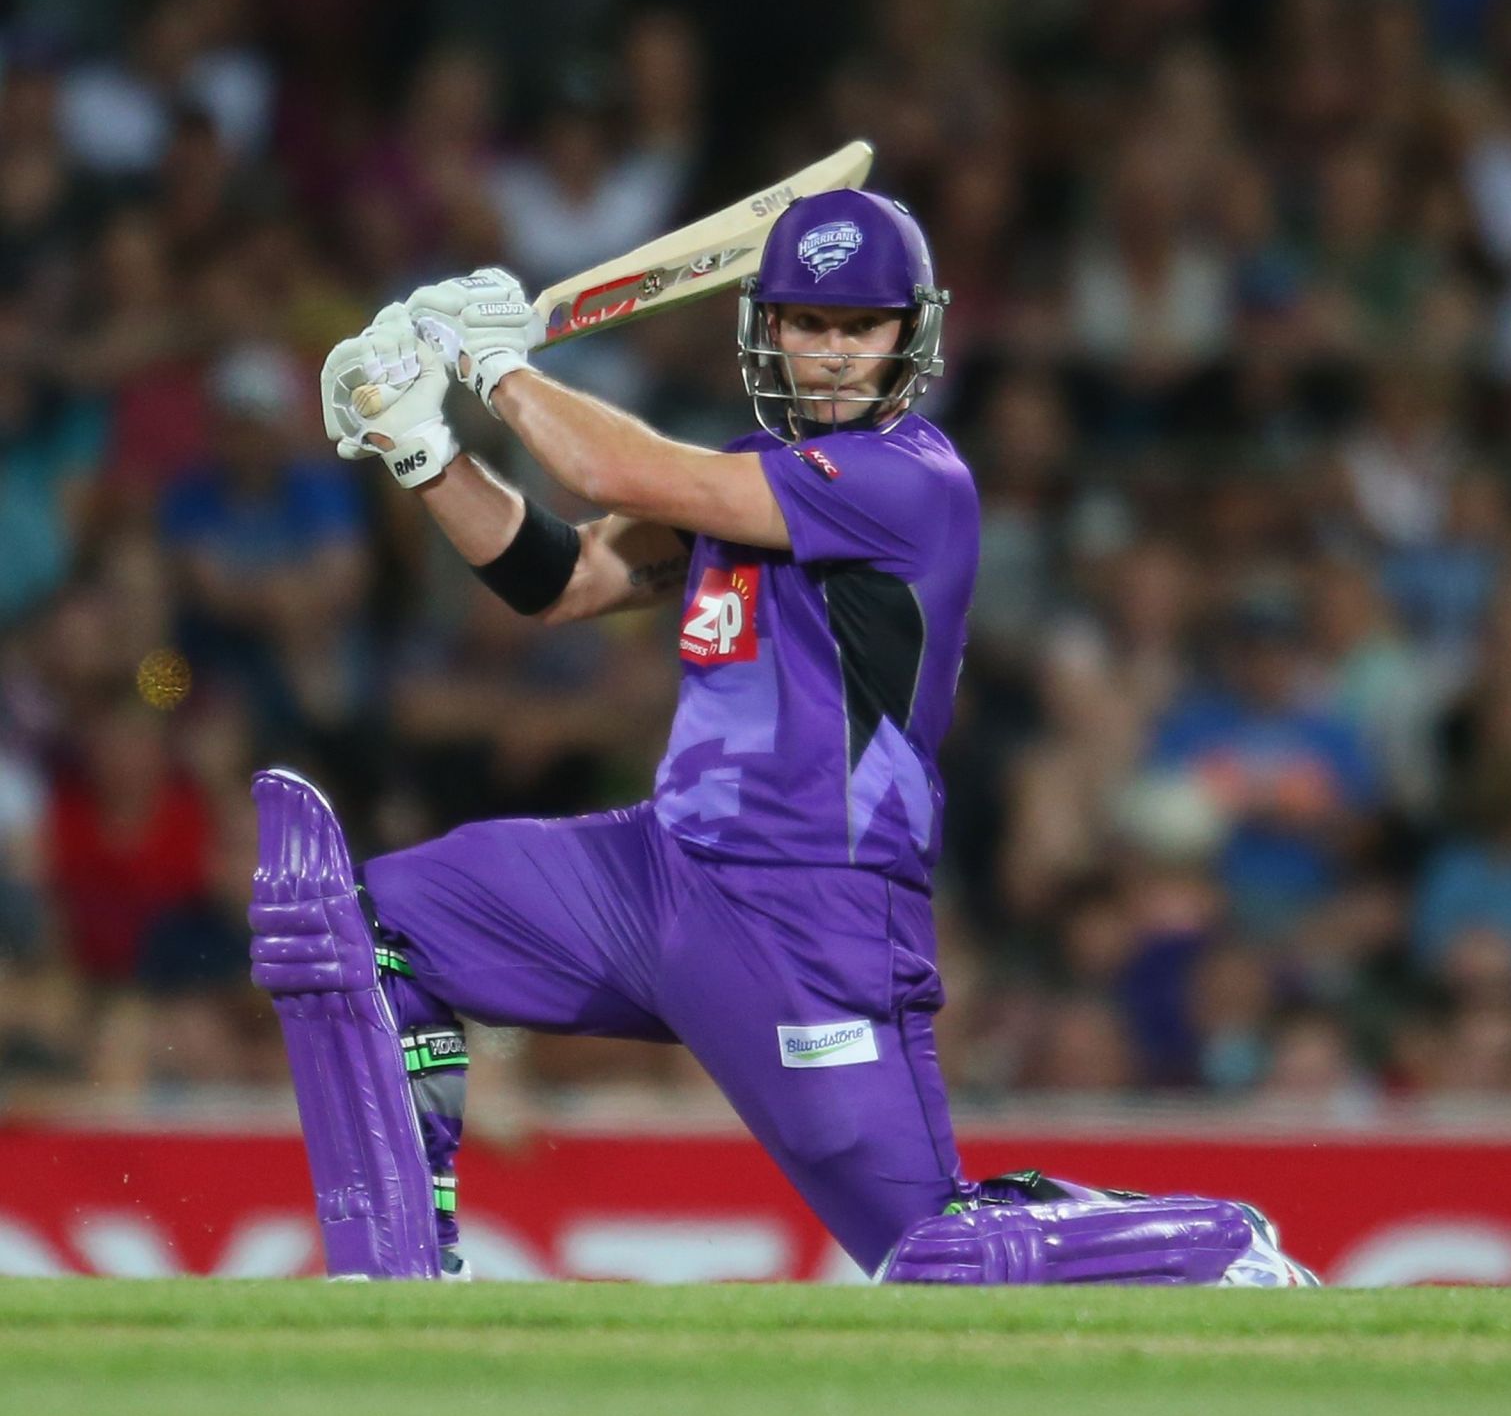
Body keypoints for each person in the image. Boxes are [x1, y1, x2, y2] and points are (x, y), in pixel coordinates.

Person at [254, 187, 1317, 1286]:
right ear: (769, 329)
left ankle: (1215, 1245)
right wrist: (418, 443)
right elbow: (561, 581)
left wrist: (491, 368)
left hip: (813, 912)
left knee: (933, 1257)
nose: (834, 353)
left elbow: (613, 471)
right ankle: (400, 1279)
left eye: (862, 327)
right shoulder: (737, 481)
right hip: (655, 873)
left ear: (913, 334)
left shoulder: (912, 481)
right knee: (352, 927)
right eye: (810, 324)